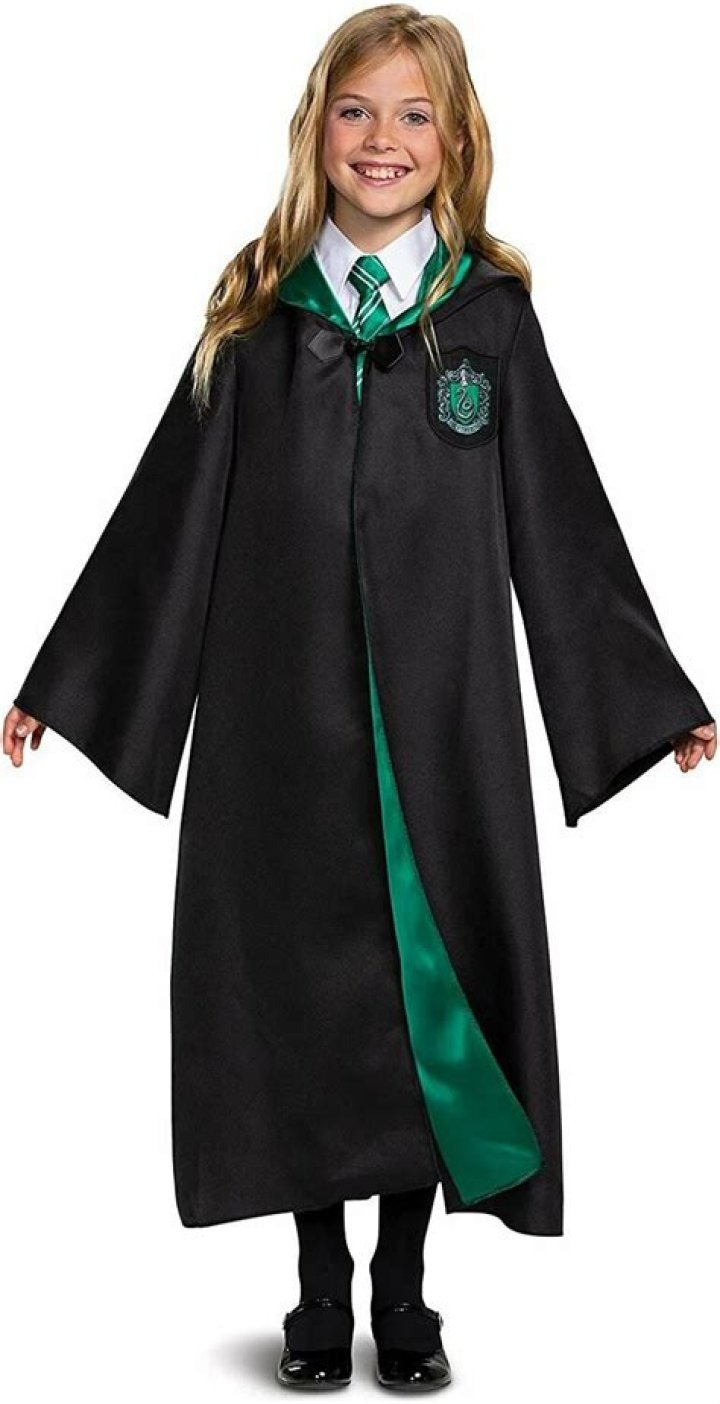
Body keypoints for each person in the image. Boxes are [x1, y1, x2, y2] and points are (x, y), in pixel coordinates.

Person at [5, 4, 716, 1392]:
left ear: (455, 143)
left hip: (439, 739)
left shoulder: (487, 319)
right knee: (301, 1005)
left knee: (421, 1012)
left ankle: (404, 1285)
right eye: (356, 110)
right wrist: (68, 679)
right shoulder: (259, 318)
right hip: (280, 735)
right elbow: (165, 516)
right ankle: (318, 1286)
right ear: (315, 130)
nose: (382, 139)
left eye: (413, 115)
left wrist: (647, 693)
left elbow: (561, 516)